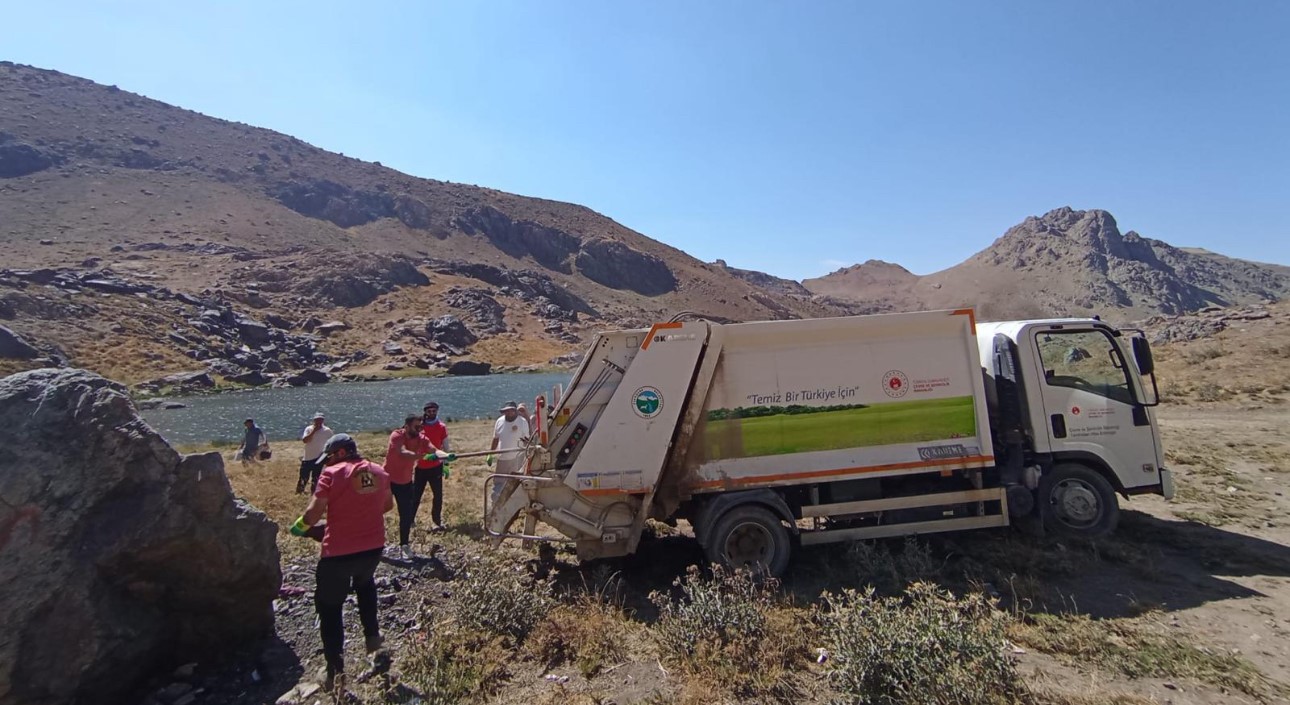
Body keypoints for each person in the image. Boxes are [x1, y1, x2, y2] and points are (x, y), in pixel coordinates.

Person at [289, 433, 393, 698]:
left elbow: (313, 513)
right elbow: (388, 505)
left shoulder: (332, 474)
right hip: (373, 548)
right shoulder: (380, 471)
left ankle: (334, 671)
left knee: (329, 607)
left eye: (330, 457)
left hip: (338, 553)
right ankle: (375, 645)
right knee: (366, 587)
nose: (327, 463)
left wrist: (299, 529)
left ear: (342, 453)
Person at [384, 413, 432, 559]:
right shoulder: (397, 435)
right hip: (387, 480)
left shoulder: (421, 438)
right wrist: (422, 456)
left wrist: (446, 455)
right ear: (407, 426)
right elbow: (403, 452)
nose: (420, 429)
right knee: (377, 511)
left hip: (405, 483)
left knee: (406, 515)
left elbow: (433, 449)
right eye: (416, 426)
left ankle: (404, 544)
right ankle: (369, 542)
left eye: (421, 426)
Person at [413, 401, 451, 533]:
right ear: (425, 412)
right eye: (429, 411)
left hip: (436, 466)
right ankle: (410, 520)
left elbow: (445, 445)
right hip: (421, 467)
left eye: (434, 411)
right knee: (416, 495)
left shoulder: (441, 426)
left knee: (438, 495)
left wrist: (446, 461)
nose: (432, 413)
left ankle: (437, 521)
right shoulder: (419, 426)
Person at [488, 401, 530, 503]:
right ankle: (496, 503)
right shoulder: (499, 421)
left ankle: (514, 503)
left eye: (511, 411)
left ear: (515, 411)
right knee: (499, 483)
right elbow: (496, 438)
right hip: (502, 458)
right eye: (506, 411)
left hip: (517, 458)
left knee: (514, 482)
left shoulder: (522, 422)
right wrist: (490, 453)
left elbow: (527, 440)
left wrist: (526, 454)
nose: (509, 413)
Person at [298, 412, 334, 494]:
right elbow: (305, 440)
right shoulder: (309, 429)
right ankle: (300, 491)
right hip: (307, 457)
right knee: (303, 477)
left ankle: (314, 493)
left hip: (319, 457)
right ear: (314, 420)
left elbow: (331, 442)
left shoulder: (327, 431)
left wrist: (327, 454)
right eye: (317, 420)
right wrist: (314, 431)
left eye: (321, 420)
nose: (319, 422)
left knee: (316, 477)